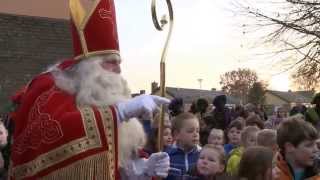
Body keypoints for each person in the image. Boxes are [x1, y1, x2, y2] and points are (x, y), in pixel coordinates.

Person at [8, 0, 170, 179]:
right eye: (110, 62)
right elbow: (52, 139)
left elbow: (113, 167)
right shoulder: (51, 86)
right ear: (88, 67)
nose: (118, 70)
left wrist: (142, 170)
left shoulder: (108, 96)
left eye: (119, 63)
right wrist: (120, 112)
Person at [275, 114, 319, 180]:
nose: (316, 149)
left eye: (316, 144)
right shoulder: (272, 174)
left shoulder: (318, 170)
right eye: (309, 145)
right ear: (289, 147)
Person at [165, 112, 201, 180]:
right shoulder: (167, 155)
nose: (196, 134)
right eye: (190, 131)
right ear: (176, 134)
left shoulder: (202, 155)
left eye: (197, 131)